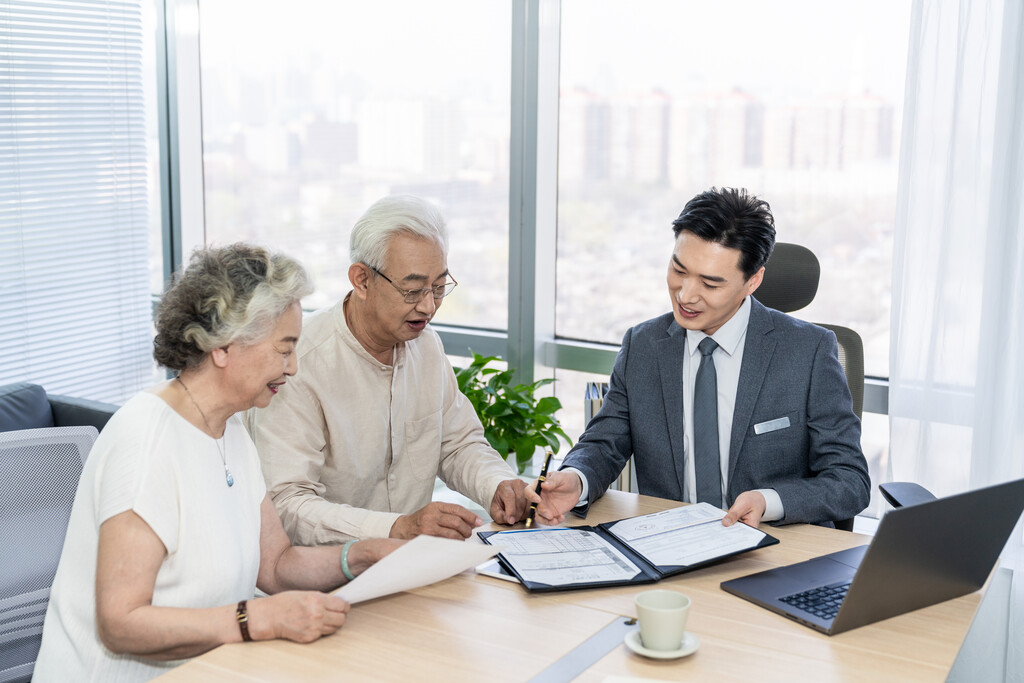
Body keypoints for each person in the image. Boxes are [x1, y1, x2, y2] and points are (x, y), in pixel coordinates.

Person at [34, 244, 402, 682]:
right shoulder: (146, 441)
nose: (294, 366)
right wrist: (257, 619)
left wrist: (359, 556)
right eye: (284, 349)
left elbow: (276, 565)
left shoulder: (231, 429)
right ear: (225, 346)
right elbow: (121, 624)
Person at [526, 187, 870, 529]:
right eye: (679, 270)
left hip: (774, 550)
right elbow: (605, 443)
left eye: (710, 283)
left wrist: (769, 501)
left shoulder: (807, 351)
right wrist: (576, 477)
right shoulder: (643, 345)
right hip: (669, 545)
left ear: (753, 280)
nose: (686, 295)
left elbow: (849, 480)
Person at [248, 195, 527, 544]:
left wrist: (497, 484)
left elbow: (457, 444)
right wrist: (395, 529)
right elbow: (286, 505)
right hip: (327, 580)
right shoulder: (298, 363)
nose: (428, 307)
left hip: (411, 570)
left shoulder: (426, 346)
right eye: (412, 291)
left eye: (439, 288)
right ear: (362, 280)